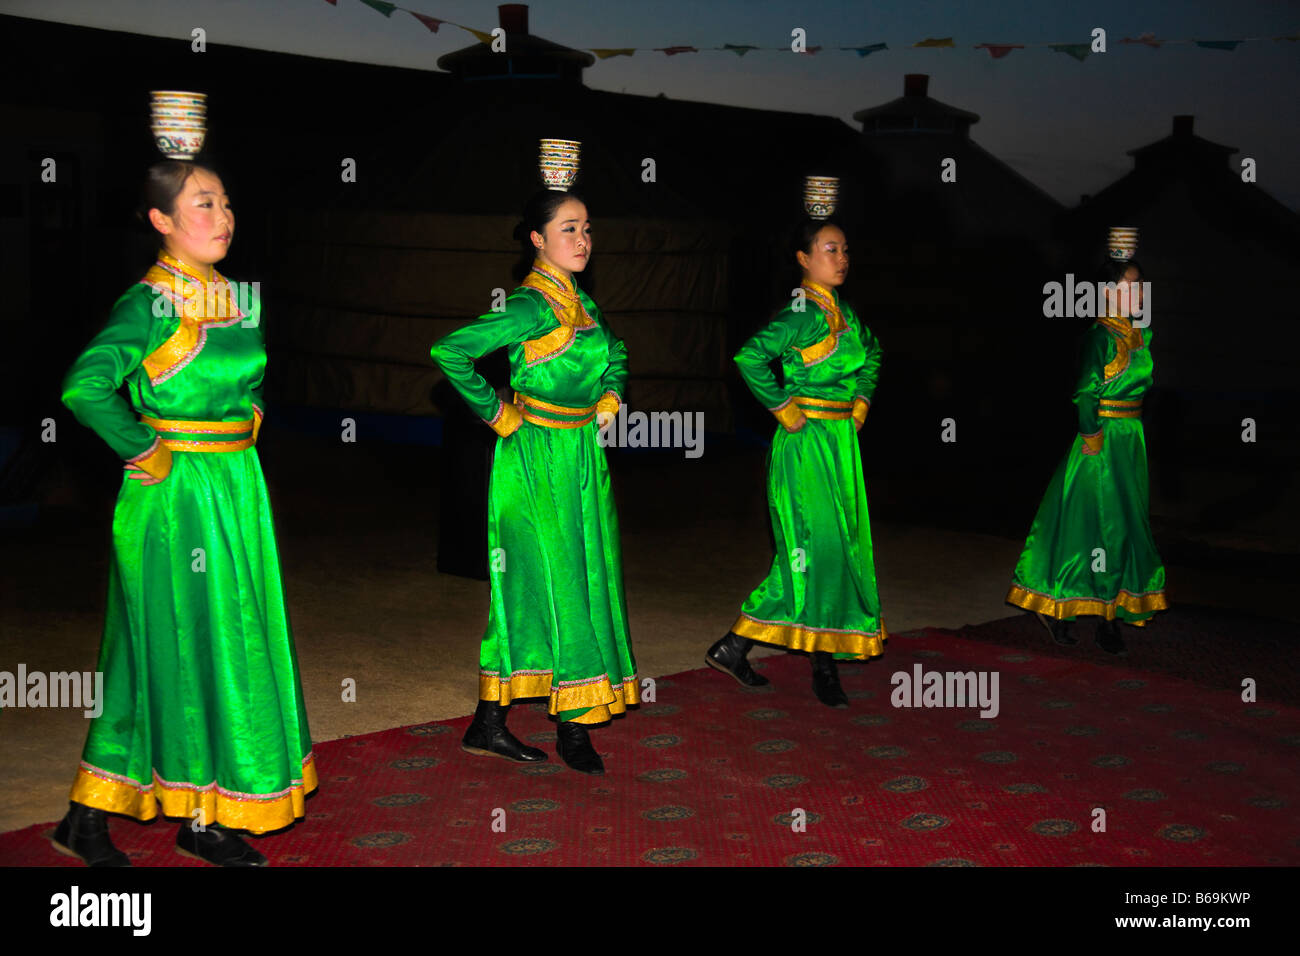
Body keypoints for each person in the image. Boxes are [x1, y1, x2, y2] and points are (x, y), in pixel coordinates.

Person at [53, 161, 315, 867]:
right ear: (161, 222)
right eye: (204, 204)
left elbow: (252, 377)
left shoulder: (240, 296)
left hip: (238, 489)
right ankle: (90, 815)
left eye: (227, 203)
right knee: (158, 648)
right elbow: (85, 388)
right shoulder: (148, 304)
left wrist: (252, 413)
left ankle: (203, 814)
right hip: (173, 501)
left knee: (227, 643)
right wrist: (144, 448)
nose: (224, 217)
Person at [431, 186, 636, 775]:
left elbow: (616, 352)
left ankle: (488, 724)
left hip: (580, 458)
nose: (583, 240)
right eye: (569, 229)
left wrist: (611, 393)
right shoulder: (528, 306)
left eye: (588, 228)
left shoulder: (582, 302)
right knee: (547, 583)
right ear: (537, 240)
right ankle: (572, 729)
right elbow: (450, 351)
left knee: (587, 578)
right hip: (533, 459)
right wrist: (498, 413)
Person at [707, 210, 886, 707]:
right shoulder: (802, 313)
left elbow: (872, 355)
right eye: (830, 249)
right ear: (804, 259)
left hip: (840, 445)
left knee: (834, 550)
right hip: (805, 446)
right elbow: (748, 357)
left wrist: (861, 403)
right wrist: (784, 408)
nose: (842, 258)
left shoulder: (844, 315)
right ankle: (821, 664)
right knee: (815, 551)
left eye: (846, 249)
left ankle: (735, 647)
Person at [1006, 239, 1168, 654]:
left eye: (1140, 286)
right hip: (1103, 442)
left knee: (1124, 524)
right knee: (1100, 528)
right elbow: (1084, 392)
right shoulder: (1100, 338)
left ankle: (1097, 603)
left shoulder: (1137, 335)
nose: (1139, 294)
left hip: (1131, 440)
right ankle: (1103, 616)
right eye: (1130, 287)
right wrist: (1093, 436)